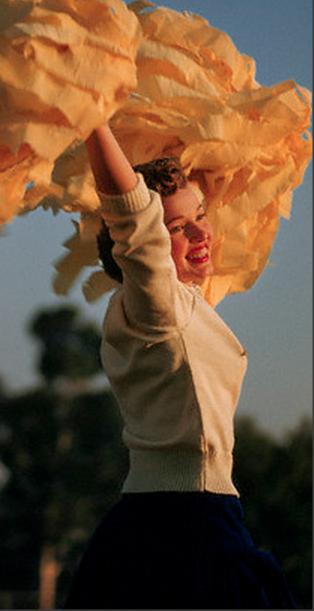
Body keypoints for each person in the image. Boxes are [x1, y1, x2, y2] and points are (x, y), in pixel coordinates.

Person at [63, 125, 296, 610]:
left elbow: (206, 207)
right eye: (176, 228)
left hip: (185, 519)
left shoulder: (187, 304)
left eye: (201, 217)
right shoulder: (155, 304)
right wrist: (88, 114)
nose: (200, 232)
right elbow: (132, 220)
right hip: (182, 529)